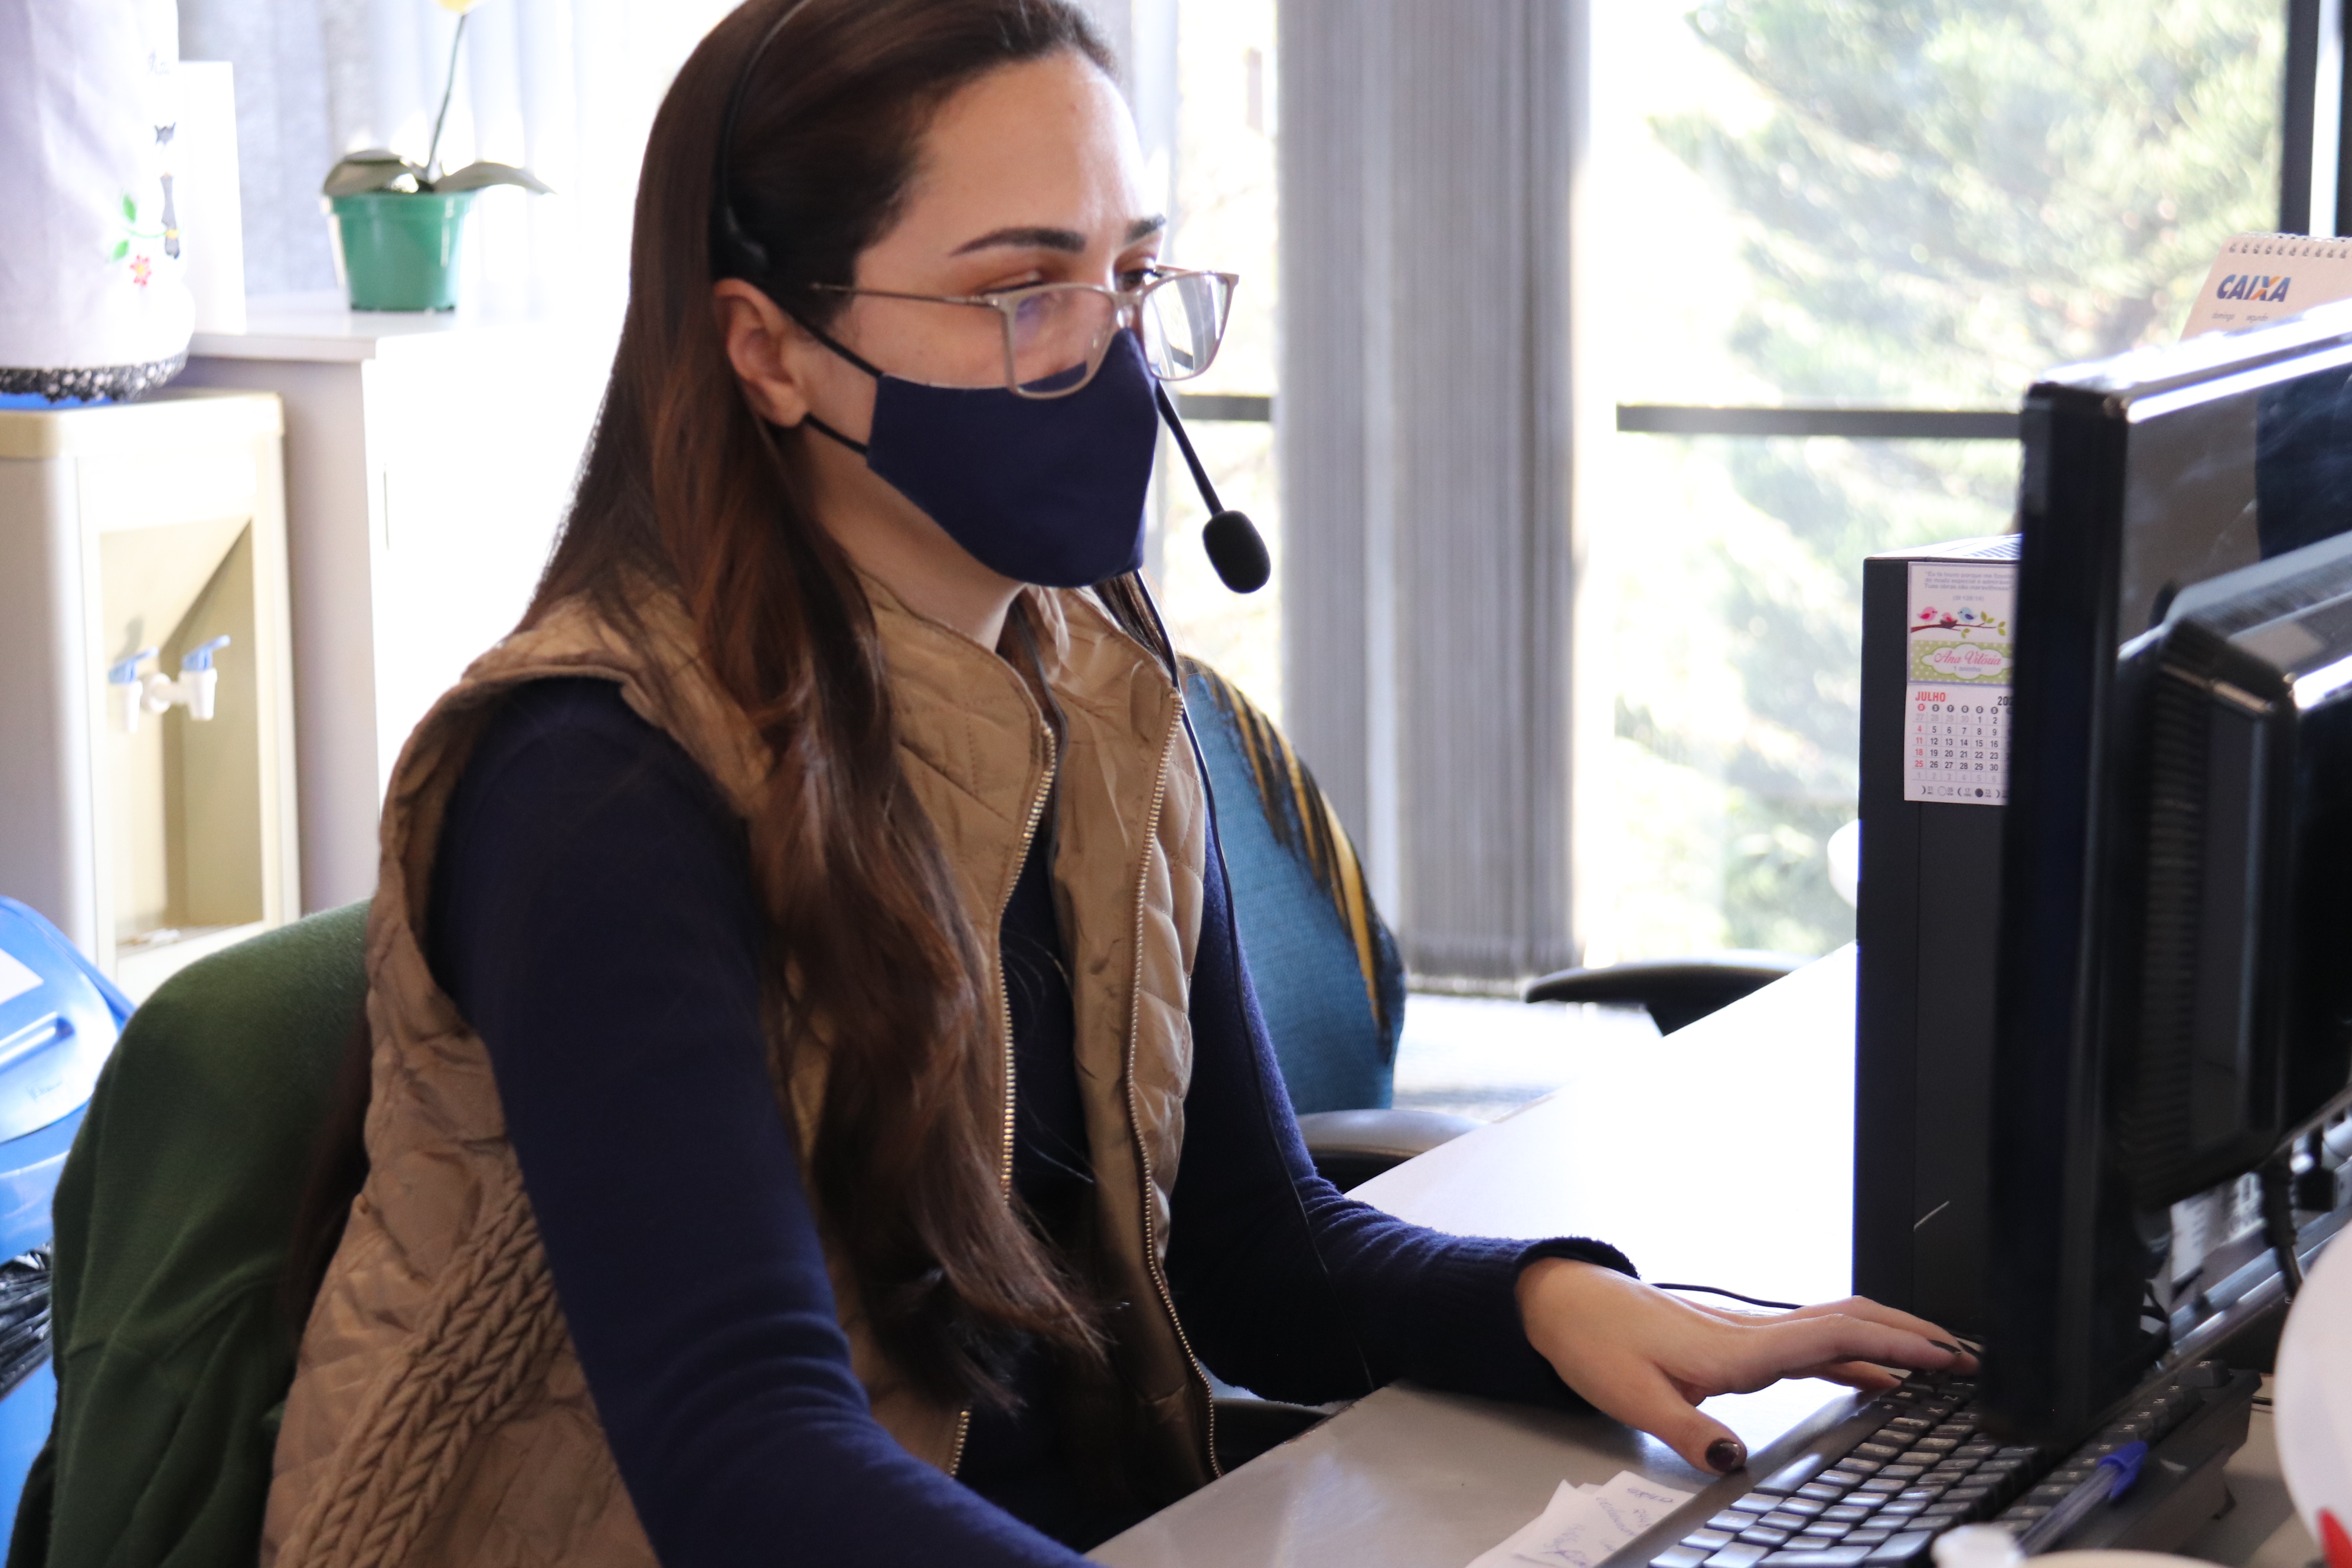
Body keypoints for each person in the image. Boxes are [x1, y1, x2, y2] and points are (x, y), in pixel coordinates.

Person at [259, 2, 1976, 1564]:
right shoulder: (599, 782)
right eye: (1022, 291)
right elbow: (747, 1464)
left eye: (1132, 278)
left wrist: (1556, 1307)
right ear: (767, 350)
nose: (1112, 358)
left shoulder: (1094, 690)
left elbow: (1253, 1250)